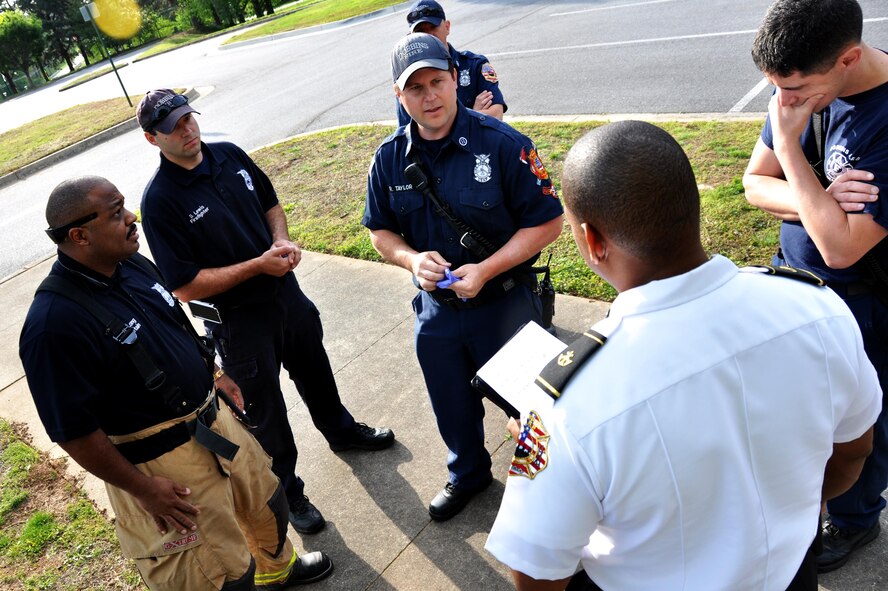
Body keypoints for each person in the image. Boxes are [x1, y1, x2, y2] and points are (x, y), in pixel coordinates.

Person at [484, 121, 882, 590]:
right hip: (792, 574)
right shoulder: (818, 310)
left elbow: (536, 571)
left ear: (592, 240)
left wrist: (538, 433)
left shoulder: (565, 407)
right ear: (691, 208)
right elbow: (853, 453)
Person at [18, 176, 334, 590]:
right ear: (79, 235)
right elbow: (73, 433)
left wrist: (215, 373)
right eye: (116, 213)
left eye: (125, 206)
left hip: (214, 421)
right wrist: (144, 490)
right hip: (161, 462)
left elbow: (175, 324)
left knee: (265, 502)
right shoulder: (54, 326)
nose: (132, 218)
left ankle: (279, 571)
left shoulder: (130, 263)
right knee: (213, 566)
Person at [137, 89, 395, 536]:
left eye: (188, 118)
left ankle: (342, 431)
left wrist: (279, 240)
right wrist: (256, 265)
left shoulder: (229, 156)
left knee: (316, 371)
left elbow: (271, 205)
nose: (187, 130)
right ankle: (288, 490)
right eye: (174, 127)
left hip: (286, 297)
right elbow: (183, 284)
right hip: (238, 321)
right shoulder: (160, 201)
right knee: (265, 412)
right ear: (151, 139)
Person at [363, 32, 563, 521]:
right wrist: (412, 260)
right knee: (451, 405)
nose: (429, 96)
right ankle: (469, 474)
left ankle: (550, 484)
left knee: (532, 408)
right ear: (399, 95)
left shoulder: (503, 145)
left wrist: (489, 267)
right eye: (416, 88)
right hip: (437, 313)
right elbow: (380, 231)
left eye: (438, 81)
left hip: (504, 302)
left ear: (455, 80)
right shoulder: (389, 159)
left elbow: (549, 222)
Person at [743, 0, 888, 573]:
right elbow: (755, 183)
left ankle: (855, 521)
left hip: (864, 306)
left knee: (864, 418)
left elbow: (843, 247)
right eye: (775, 89)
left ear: (849, 58)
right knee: (801, 410)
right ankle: (811, 496)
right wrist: (823, 202)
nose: (784, 103)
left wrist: (791, 156)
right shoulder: (799, 91)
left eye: (796, 89)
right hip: (795, 285)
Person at [395, 0, 506, 127]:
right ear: (411, 36)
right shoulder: (408, 79)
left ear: (447, 27)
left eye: (433, 27)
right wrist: (473, 114)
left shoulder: (475, 65)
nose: (429, 35)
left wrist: (439, 125)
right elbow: (409, 132)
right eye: (421, 31)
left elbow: (496, 115)